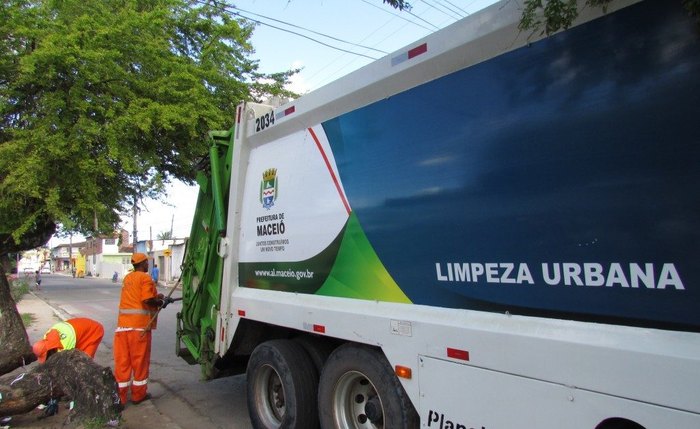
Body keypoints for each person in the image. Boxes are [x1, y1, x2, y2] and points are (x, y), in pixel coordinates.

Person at [113, 253, 172, 406]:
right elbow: (146, 299)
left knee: (123, 364)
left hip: (122, 328)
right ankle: (138, 395)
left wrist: (157, 296)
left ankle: (120, 398)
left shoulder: (128, 278)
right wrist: (160, 302)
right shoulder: (145, 278)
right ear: (143, 263)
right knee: (139, 363)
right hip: (139, 328)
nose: (148, 265)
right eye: (147, 263)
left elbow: (137, 296)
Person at [32, 318, 105, 363]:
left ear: (49, 350)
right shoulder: (47, 335)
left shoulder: (66, 345)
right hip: (79, 328)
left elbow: (68, 361)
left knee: (85, 359)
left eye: (46, 356)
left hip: (94, 330)